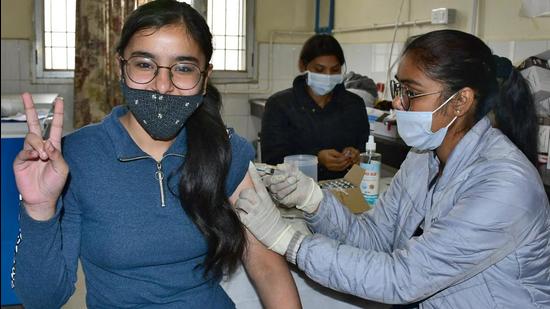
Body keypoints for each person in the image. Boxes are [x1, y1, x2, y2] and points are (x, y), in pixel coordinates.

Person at [11, 1, 301, 308]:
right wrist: (39, 209)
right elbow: (42, 299)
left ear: (205, 77)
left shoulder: (224, 151)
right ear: (121, 66)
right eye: (145, 64)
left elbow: (267, 268)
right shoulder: (77, 157)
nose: (162, 86)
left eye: (184, 68)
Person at [236, 29, 550, 308]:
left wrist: (288, 242)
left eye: (411, 93)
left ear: (460, 102)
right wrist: (314, 201)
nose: (397, 104)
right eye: (399, 89)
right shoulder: (422, 157)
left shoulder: (504, 185)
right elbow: (374, 237)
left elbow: (402, 278)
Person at [261, 34, 370, 180]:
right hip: (294, 192)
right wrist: (316, 158)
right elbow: (272, 160)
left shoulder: (354, 105)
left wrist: (356, 156)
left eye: (335, 69)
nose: (328, 75)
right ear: (303, 66)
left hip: (343, 191)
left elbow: (366, 150)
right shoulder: (280, 105)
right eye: (319, 69)